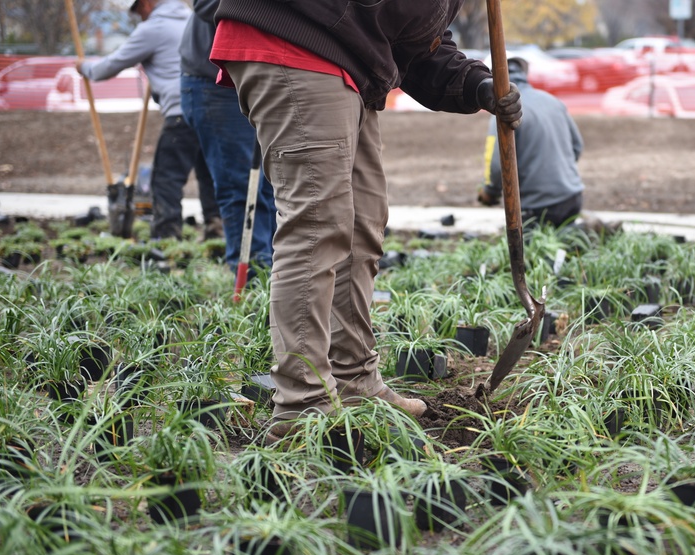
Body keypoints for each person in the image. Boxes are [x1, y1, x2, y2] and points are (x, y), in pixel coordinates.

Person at [208, 0, 522, 441]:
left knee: (362, 224)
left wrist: (477, 85)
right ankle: (302, 404)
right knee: (318, 224)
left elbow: (417, 46)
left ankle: (354, 380)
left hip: (346, 60)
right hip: (297, 35)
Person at [79, 0, 222, 241]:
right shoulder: (190, 18)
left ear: (147, 3)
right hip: (209, 107)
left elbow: (111, 65)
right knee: (208, 172)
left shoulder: (153, 29)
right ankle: (216, 231)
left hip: (180, 110)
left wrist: (85, 68)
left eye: (138, 10)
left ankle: (166, 239)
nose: (139, 16)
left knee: (166, 177)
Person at [180, 0, 276, 271]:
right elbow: (206, 6)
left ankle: (269, 273)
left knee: (266, 185)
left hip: (251, 81)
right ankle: (251, 275)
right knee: (242, 186)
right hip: (215, 85)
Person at [477, 57, 584, 230]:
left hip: (537, 206)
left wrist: (489, 192)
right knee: (564, 249)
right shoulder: (553, 101)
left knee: (534, 255)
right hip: (572, 197)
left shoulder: (504, 113)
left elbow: (496, 166)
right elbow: (577, 147)